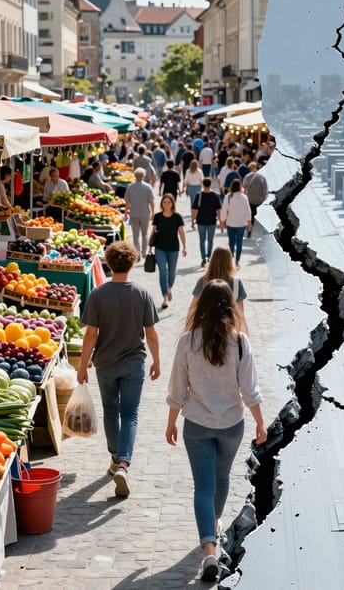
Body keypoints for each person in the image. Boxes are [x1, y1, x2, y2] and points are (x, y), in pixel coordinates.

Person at [166, 279, 265, 582]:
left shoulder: (187, 342)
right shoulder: (240, 342)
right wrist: (261, 422)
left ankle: (210, 549)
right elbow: (250, 390)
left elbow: (178, 389)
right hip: (232, 425)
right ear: (230, 306)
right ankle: (215, 524)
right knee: (221, 479)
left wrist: (171, 421)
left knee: (203, 487)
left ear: (201, 305)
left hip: (196, 425)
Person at [77, 241, 161, 498]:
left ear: (109, 263)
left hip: (105, 364)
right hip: (134, 363)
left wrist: (82, 367)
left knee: (111, 414)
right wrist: (157, 361)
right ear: (133, 262)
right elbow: (152, 334)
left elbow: (91, 335)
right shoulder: (142, 294)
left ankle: (115, 458)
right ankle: (124, 463)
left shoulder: (98, 295)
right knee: (131, 415)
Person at [192, 246, 249, 334]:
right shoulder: (236, 283)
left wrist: (188, 332)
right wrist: (244, 336)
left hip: (206, 330)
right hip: (229, 331)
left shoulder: (203, 281)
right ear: (230, 262)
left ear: (212, 261)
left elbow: (193, 308)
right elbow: (240, 313)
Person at [150, 194, 187, 309]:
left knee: (171, 272)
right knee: (162, 272)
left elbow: (181, 232)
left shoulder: (177, 217)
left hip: (173, 248)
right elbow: (153, 231)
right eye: (164, 202)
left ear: (172, 204)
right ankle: (165, 297)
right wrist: (150, 246)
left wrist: (185, 246)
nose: (166, 204)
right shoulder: (157, 216)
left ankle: (169, 288)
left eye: (168, 202)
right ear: (161, 204)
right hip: (160, 248)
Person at [219, 179, 252, 264]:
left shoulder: (228, 197)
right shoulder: (244, 197)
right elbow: (248, 211)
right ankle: (237, 260)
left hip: (231, 223)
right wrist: (249, 223)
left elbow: (224, 210)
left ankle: (231, 256)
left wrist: (222, 222)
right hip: (241, 223)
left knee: (231, 241)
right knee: (239, 241)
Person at [190, 177, 223, 262]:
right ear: (210, 184)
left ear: (203, 184)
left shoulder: (199, 195)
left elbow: (195, 210)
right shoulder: (215, 195)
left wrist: (193, 221)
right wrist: (220, 221)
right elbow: (218, 210)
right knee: (210, 240)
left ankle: (203, 257)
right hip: (212, 221)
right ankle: (209, 255)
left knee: (202, 240)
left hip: (201, 221)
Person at [125, 168, 156, 253]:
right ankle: (144, 251)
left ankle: (137, 252)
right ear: (144, 176)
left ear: (135, 176)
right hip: (144, 214)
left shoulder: (130, 187)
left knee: (135, 235)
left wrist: (125, 214)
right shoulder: (147, 187)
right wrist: (153, 212)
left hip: (134, 213)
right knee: (144, 234)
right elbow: (151, 202)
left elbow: (127, 202)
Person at [243, 161, 268, 226]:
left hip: (250, 199)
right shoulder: (261, 177)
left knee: (251, 215)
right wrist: (264, 198)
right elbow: (265, 189)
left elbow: (245, 189)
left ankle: (251, 229)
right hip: (260, 200)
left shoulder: (247, 177)